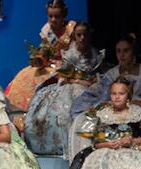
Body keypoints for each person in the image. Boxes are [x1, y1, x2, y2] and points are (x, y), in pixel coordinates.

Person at [23, 20, 105, 156]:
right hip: (73, 86)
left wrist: (94, 80)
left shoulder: (95, 54)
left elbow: (100, 73)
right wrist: (78, 81)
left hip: (92, 87)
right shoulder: (70, 54)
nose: (82, 38)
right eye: (79, 35)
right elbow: (63, 76)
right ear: (74, 36)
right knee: (65, 109)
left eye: (85, 35)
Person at [3, 0, 75, 116]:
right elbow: (45, 49)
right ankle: (22, 111)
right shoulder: (47, 30)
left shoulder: (71, 29)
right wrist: (40, 58)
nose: (53, 20)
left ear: (64, 15)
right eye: (50, 16)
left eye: (57, 16)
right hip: (49, 64)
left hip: (68, 64)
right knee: (27, 75)